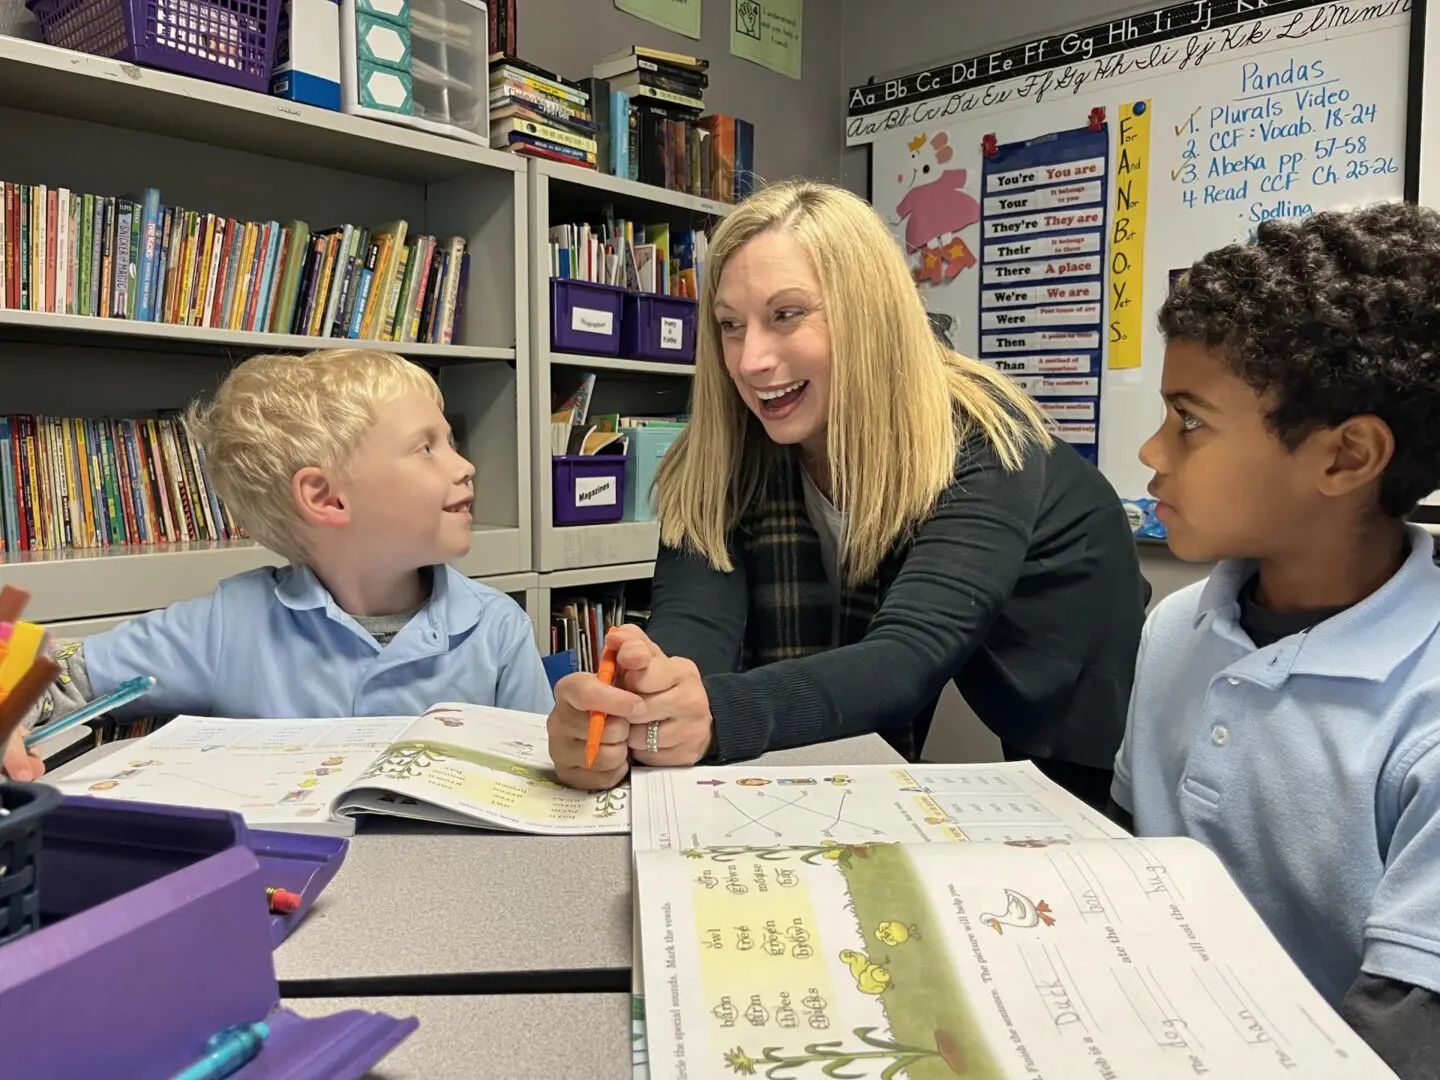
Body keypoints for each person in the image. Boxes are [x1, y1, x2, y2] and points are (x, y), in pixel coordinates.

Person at [546, 180, 1147, 807]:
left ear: (868, 314)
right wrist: (636, 708)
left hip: (1075, 665)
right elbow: (692, 641)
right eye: (729, 325)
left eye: (786, 314)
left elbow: (903, 660)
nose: (750, 360)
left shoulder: (982, 434)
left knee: (1079, 823)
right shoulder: (719, 454)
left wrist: (714, 716)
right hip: (947, 648)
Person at [1110, 202, 1440, 1078]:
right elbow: (1130, 864)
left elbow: (1402, 1038)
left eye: (1190, 419)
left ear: (1344, 458)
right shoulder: (1178, 627)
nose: (1151, 449)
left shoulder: (1428, 705)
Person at [2, 348, 551, 781]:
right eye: (426, 448)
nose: (466, 465)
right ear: (327, 498)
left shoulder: (497, 628)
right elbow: (55, 674)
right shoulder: (227, 624)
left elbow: (544, 777)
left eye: (450, 441)